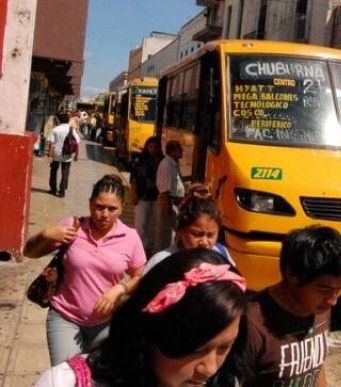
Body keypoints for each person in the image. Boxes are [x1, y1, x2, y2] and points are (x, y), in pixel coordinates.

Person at [35, 248, 249, 387]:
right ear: (150, 332)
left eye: (224, 348)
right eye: (195, 349)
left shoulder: (227, 381)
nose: (209, 368)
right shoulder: (66, 383)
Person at [24, 174, 147, 366]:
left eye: (112, 209)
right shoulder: (73, 227)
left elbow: (139, 275)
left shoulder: (130, 237)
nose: (104, 214)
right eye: (99, 207)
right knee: (67, 378)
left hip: (105, 325)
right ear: (90, 204)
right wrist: (45, 234)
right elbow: (29, 252)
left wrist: (121, 289)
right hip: (65, 318)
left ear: (122, 208)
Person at [242, 225, 341, 386]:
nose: (333, 300)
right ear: (291, 275)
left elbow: (316, 366)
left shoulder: (319, 307)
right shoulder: (250, 324)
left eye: (340, 288)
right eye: (324, 289)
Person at [144, 183, 233, 275]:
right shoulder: (161, 263)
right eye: (197, 234)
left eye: (210, 235)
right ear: (180, 231)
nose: (204, 242)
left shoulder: (222, 255)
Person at [129, 136, 163, 256]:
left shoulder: (162, 161)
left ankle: (148, 247)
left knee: (152, 224)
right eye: (150, 146)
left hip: (156, 197)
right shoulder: (139, 160)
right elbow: (133, 179)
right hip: (142, 196)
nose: (153, 149)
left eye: (156, 147)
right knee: (140, 223)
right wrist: (133, 195)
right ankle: (138, 248)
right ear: (146, 147)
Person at [154, 140, 185, 252]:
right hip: (167, 201)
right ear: (173, 151)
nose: (182, 151)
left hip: (174, 201)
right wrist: (167, 207)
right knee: (164, 232)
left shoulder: (174, 164)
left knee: (171, 231)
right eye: (179, 150)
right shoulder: (166, 165)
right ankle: (160, 254)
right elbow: (165, 190)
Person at [46, 112, 81, 198]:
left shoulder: (55, 129)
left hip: (56, 154)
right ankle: (62, 191)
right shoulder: (71, 130)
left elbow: (51, 143)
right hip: (67, 155)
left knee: (53, 172)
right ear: (68, 120)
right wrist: (77, 155)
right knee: (65, 173)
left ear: (59, 120)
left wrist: (50, 156)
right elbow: (77, 143)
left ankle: (53, 189)